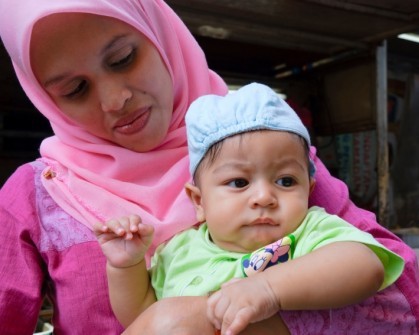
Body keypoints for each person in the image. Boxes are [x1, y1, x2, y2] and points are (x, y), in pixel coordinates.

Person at [0, 0, 417, 334]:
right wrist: (128, 270)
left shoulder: (266, 148)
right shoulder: (38, 195)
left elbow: (399, 290)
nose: (114, 100)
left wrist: (236, 316)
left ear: (162, 37)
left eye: (124, 58)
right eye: (74, 89)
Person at [94, 82, 404, 335]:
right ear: (199, 202)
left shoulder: (309, 230)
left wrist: (268, 289)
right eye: (239, 183)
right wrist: (125, 268)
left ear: (309, 191)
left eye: (285, 181)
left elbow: (365, 266)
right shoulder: (178, 250)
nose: (264, 196)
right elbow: (144, 316)